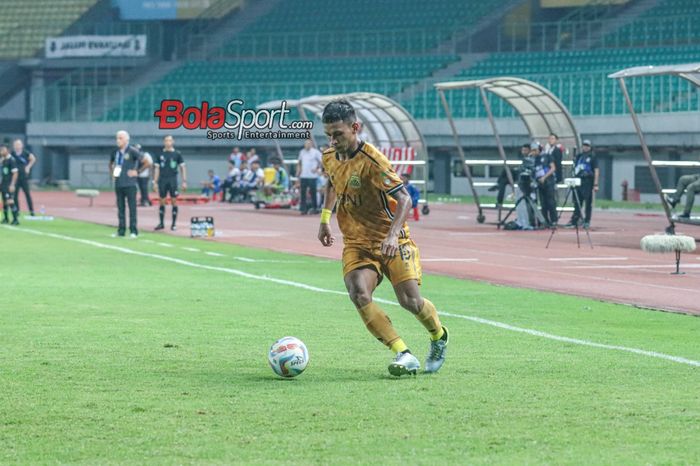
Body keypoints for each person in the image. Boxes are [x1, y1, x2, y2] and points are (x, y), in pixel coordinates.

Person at [317, 99, 448, 377]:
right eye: (328, 134)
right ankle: (403, 353)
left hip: (392, 240)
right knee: (358, 292)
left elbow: (404, 199)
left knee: (410, 302)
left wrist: (390, 237)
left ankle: (438, 336)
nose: (333, 140)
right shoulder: (328, 156)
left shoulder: (373, 161)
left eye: (338, 134)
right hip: (357, 242)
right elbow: (331, 182)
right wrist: (325, 219)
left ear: (355, 128)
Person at [109, 130, 149, 237]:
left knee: (132, 208)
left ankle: (133, 230)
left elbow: (147, 162)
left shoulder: (132, 151)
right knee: (120, 208)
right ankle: (121, 230)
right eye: (117, 138)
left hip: (130, 184)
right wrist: (113, 174)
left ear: (126, 140)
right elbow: (111, 163)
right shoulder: (115, 152)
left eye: (120, 138)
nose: (118, 140)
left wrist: (137, 171)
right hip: (119, 183)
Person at [153, 135, 187, 231]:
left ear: (173, 142)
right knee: (162, 201)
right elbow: (157, 168)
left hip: (172, 179)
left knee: (174, 201)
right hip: (162, 179)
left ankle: (174, 224)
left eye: (170, 140)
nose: (168, 142)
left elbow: (182, 167)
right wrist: (154, 182)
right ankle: (161, 223)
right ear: (164, 142)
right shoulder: (159, 154)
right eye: (166, 140)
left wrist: (184, 181)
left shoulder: (177, 154)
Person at [566, 139, 599, 229]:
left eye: (587, 146)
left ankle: (587, 221)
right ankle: (575, 220)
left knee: (588, 203)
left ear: (590, 147)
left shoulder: (592, 157)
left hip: (587, 182)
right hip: (578, 182)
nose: (585, 147)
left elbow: (596, 170)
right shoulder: (579, 156)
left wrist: (595, 184)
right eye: (584, 145)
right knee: (577, 202)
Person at [532, 141, 558, 227]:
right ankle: (545, 221)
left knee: (551, 202)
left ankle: (554, 221)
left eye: (535, 150)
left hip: (549, 182)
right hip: (540, 183)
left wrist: (544, 177)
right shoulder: (535, 159)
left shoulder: (547, 156)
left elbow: (553, 168)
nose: (533, 152)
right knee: (543, 203)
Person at [10, 139, 36, 216]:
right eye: (16, 145)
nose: (17, 146)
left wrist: (28, 167)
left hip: (23, 177)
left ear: (21, 145)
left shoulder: (25, 153)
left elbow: (33, 159)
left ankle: (31, 211)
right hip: (15, 177)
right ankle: (17, 211)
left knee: (27, 194)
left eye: (19, 145)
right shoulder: (12, 154)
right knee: (15, 195)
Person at [297, 139, 322, 215]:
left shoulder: (316, 152)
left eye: (309, 144)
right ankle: (303, 209)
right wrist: (298, 171)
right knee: (303, 193)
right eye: (306, 144)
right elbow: (299, 162)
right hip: (303, 175)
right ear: (304, 145)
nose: (307, 145)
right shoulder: (302, 152)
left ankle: (315, 208)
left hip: (312, 176)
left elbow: (321, 162)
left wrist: (317, 168)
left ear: (311, 144)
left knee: (313, 193)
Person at [1, 145, 20, 225]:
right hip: (3, 184)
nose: (1, 151)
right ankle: (6, 218)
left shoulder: (11, 160)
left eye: (3, 150)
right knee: (4, 201)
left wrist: (12, 184)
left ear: (7, 150)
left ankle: (15, 219)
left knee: (10, 201)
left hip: (8, 184)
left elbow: (15, 173)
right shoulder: (2, 160)